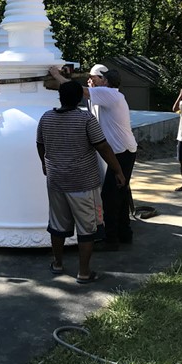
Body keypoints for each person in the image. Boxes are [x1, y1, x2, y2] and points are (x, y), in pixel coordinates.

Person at [36, 80, 125, 283]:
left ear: (60, 97)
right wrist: (117, 170)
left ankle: (57, 264)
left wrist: (44, 163)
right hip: (83, 183)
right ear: (80, 98)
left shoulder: (46, 117)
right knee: (87, 228)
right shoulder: (86, 119)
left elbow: (40, 144)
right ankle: (84, 272)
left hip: (56, 181)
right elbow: (102, 146)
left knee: (57, 225)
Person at [48, 64, 138, 250]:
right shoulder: (108, 96)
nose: (90, 80)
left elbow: (76, 90)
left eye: (94, 77)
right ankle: (124, 233)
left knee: (110, 197)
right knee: (120, 194)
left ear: (104, 81)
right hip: (124, 151)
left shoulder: (108, 93)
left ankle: (111, 240)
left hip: (121, 152)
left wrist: (57, 75)